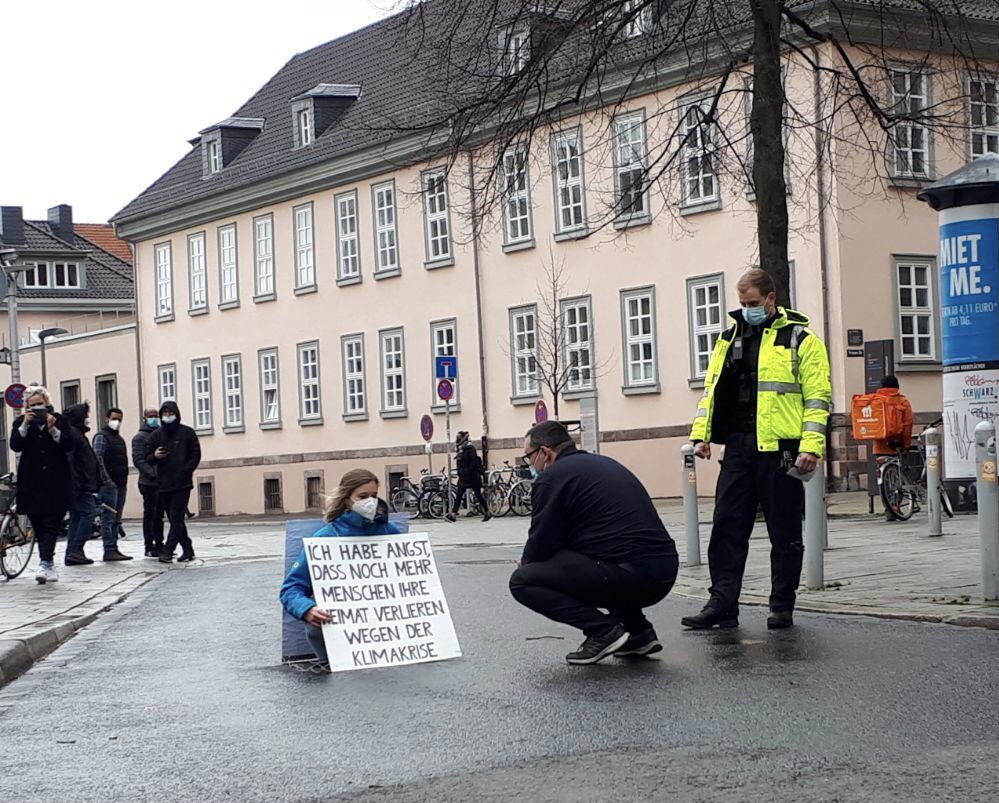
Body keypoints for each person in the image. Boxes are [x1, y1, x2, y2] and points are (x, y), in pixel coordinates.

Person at [684, 269, 831, 631]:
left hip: (779, 449)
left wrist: (811, 446)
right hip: (738, 446)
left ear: (770, 298)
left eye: (752, 303)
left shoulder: (800, 339)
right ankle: (722, 603)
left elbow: (817, 398)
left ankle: (782, 605)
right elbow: (712, 392)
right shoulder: (728, 339)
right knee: (727, 527)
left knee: (784, 532)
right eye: (742, 304)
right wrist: (700, 435)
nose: (747, 309)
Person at [508, 421, 679, 665]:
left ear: (545, 453)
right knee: (594, 560)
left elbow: (543, 540)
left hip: (630, 575)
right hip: (662, 571)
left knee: (523, 581)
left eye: (529, 457)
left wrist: (525, 562)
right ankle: (638, 633)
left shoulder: (552, 478)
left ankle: (602, 632)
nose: (530, 465)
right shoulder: (602, 463)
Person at [279, 469, 402, 665]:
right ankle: (330, 664)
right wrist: (307, 610)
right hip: (342, 624)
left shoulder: (390, 533)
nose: (370, 502)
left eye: (374, 496)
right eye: (363, 496)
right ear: (347, 499)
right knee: (316, 628)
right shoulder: (324, 538)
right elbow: (290, 589)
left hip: (385, 623)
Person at [9, 386, 77, 583]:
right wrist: (25, 424)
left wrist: (53, 428)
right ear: (27, 407)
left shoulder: (59, 420)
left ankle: (46, 563)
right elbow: (15, 444)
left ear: (47, 403)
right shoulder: (21, 423)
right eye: (33, 405)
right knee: (38, 523)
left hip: (55, 481)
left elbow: (67, 444)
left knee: (51, 523)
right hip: (32, 481)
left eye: (40, 404)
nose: (38, 409)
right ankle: (47, 561)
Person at [146, 401, 201, 563]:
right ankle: (188, 549)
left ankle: (168, 551)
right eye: (165, 414)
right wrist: (155, 456)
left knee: (176, 518)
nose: (168, 417)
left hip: (182, 483)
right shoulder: (156, 435)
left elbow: (195, 454)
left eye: (171, 414)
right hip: (164, 483)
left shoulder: (187, 433)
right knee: (174, 519)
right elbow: (147, 456)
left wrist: (186, 470)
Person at [62, 402, 101, 566]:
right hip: (79, 484)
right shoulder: (74, 435)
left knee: (77, 517)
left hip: (79, 483)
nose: (88, 419)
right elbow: (72, 461)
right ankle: (76, 549)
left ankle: (73, 551)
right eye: (86, 416)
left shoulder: (75, 434)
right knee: (87, 513)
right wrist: (78, 482)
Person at [871, 376, 914, 522]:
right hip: (897, 445)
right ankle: (897, 505)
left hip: (880, 447)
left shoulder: (874, 400)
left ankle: (888, 508)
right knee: (898, 478)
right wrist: (906, 445)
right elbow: (908, 425)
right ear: (897, 386)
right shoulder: (903, 401)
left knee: (883, 480)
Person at [93, 407, 132, 561]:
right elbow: (98, 459)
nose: (117, 422)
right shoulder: (102, 437)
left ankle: (114, 548)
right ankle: (109, 549)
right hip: (108, 485)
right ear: (107, 419)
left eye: (119, 419)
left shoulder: (119, 439)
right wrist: (106, 480)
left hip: (120, 483)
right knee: (108, 518)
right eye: (114, 418)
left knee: (116, 519)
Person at [132, 407, 165, 557]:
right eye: (151, 416)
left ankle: (159, 543)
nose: (154, 418)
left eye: (155, 416)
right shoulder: (139, 437)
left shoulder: (161, 433)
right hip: (148, 482)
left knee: (159, 515)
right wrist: (152, 474)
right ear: (145, 418)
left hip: (162, 481)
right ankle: (149, 545)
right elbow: (139, 459)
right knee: (150, 514)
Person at [445, 431, 491, 522]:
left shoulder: (470, 448)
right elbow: (460, 462)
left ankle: (487, 512)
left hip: (472, 477)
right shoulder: (461, 448)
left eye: (458, 437)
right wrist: (460, 472)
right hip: (464, 477)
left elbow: (473, 462)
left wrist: (466, 472)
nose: (456, 439)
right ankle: (453, 514)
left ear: (463, 438)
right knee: (459, 494)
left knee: (478, 495)